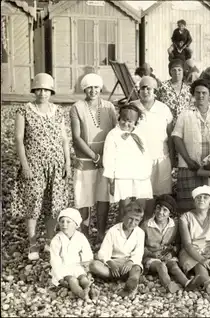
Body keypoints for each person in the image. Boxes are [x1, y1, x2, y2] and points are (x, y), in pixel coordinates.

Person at [11, 73, 71, 261]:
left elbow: (63, 138)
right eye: (39, 89)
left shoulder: (59, 111)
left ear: (51, 91)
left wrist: (68, 163)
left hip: (56, 164)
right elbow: (19, 139)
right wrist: (25, 165)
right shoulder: (24, 110)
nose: (42, 93)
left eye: (46, 90)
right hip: (34, 165)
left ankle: (50, 239)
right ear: (34, 90)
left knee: (53, 203)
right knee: (34, 203)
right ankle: (32, 242)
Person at [70, 73, 115, 240]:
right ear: (84, 89)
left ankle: (102, 232)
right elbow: (76, 137)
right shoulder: (77, 107)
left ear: (100, 88)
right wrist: (95, 157)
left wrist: (106, 157)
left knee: (103, 198)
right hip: (86, 160)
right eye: (89, 87)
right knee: (84, 199)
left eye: (96, 87)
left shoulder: (109, 107)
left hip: (105, 160)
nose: (93, 90)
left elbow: (116, 132)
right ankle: (84, 235)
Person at [171, 79, 210, 212]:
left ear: (209, 94)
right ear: (193, 94)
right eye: (197, 92)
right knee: (189, 206)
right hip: (189, 166)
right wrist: (188, 160)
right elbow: (176, 137)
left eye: (204, 93)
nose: (201, 96)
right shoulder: (185, 114)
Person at [131, 76, 175, 220]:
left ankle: (156, 228)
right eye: (143, 87)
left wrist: (173, 158)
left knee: (160, 196)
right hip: (139, 160)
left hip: (161, 158)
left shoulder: (163, 109)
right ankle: (140, 227)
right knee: (140, 196)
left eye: (149, 88)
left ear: (155, 90)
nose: (146, 91)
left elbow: (170, 135)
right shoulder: (132, 107)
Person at [141, 196, 204, 293]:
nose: (160, 212)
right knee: (161, 265)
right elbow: (140, 246)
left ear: (170, 213)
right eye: (158, 208)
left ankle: (187, 283)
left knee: (174, 266)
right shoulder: (146, 225)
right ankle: (168, 285)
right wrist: (152, 254)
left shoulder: (174, 225)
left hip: (167, 256)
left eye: (165, 210)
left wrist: (172, 252)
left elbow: (178, 244)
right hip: (151, 258)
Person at [102, 104, 152, 219]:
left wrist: (147, 173)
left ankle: (137, 234)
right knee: (125, 208)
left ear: (136, 122)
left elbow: (147, 155)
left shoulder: (140, 134)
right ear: (119, 119)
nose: (126, 124)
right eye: (123, 120)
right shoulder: (113, 135)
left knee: (140, 207)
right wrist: (111, 180)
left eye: (130, 121)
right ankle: (121, 233)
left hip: (140, 177)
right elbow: (109, 158)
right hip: (122, 177)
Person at [90, 201, 145, 298]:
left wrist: (131, 261)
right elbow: (103, 252)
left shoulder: (140, 233)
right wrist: (110, 263)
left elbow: (138, 252)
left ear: (140, 220)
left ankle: (131, 283)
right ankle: (119, 277)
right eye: (130, 219)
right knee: (94, 265)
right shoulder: (113, 231)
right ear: (123, 217)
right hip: (114, 262)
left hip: (128, 263)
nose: (132, 223)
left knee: (136, 268)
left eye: (136, 220)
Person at [49, 208, 93, 300]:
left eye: (68, 222)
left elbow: (87, 254)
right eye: (62, 221)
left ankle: (90, 290)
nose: (64, 224)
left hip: (77, 266)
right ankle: (81, 294)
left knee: (84, 279)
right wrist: (60, 278)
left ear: (76, 225)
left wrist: (88, 270)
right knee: (73, 280)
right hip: (63, 267)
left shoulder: (81, 237)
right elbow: (55, 260)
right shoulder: (57, 240)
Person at [155, 59, 192, 124]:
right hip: (166, 123)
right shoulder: (162, 86)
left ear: (183, 71)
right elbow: (156, 104)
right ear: (170, 72)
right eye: (174, 70)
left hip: (184, 125)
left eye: (179, 70)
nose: (177, 72)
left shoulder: (188, 89)